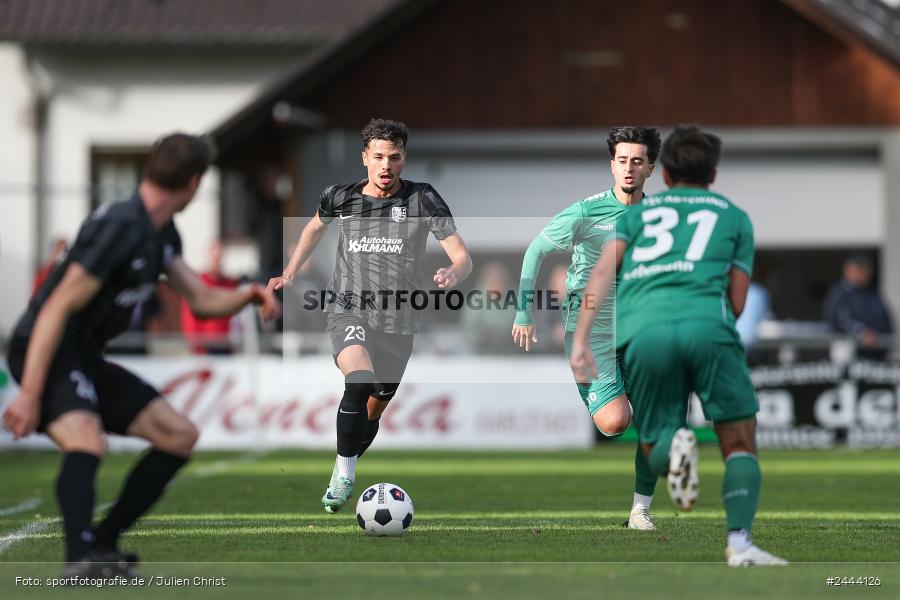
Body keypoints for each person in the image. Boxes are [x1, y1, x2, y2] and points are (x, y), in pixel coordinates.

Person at [3, 133, 280, 576]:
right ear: (193, 182)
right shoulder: (120, 227)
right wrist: (31, 393)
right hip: (47, 349)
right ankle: (79, 559)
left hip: (83, 356)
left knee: (178, 435)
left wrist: (247, 294)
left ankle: (103, 543)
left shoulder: (160, 230)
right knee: (86, 440)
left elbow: (201, 299)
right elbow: (55, 308)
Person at [570, 125, 787, 566]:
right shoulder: (734, 217)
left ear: (664, 173)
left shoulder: (632, 217)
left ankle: (675, 449)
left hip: (643, 334)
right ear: (713, 172)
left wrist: (580, 339)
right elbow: (740, 301)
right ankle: (740, 546)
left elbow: (599, 277)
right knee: (739, 440)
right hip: (707, 327)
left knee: (654, 434)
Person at [269, 118, 472, 513]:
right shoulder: (340, 196)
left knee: (372, 411)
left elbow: (462, 255)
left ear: (403, 159)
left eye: (394, 157)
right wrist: (292, 269)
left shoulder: (422, 199)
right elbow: (313, 228)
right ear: (365, 158)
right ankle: (344, 474)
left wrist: (453, 271)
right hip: (348, 310)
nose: (386, 165)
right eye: (378, 156)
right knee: (359, 381)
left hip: (399, 323)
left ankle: (346, 458)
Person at [511, 126, 662, 530]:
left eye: (637, 161)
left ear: (650, 167)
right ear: (612, 164)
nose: (628, 168)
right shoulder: (585, 211)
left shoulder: (661, 218)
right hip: (589, 326)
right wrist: (524, 312)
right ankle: (597, 383)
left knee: (655, 424)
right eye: (621, 160)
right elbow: (536, 251)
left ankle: (640, 511)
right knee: (614, 424)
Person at [824, 254, 893, 359]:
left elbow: (884, 318)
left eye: (866, 271)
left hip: (876, 354)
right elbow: (837, 320)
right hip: (851, 353)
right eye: (860, 271)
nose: (864, 275)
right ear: (848, 270)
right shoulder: (840, 292)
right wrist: (861, 332)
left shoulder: (873, 292)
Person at [180, 240, 241, 354]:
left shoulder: (230, 284)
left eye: (219, 258)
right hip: (205, 345)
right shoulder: (198, 283)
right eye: (215, 258)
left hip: (225, 344)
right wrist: (196, 345)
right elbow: (190, 316)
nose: (217, 261)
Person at [461, 261, 517, 354]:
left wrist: (505, 335)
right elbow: (468, 327)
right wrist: (485, 335)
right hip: (480, 353)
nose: (497, 283)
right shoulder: (475, 298)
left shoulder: (517, 297)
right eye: (493, 279)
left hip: (512, 352)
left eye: (500, 279)